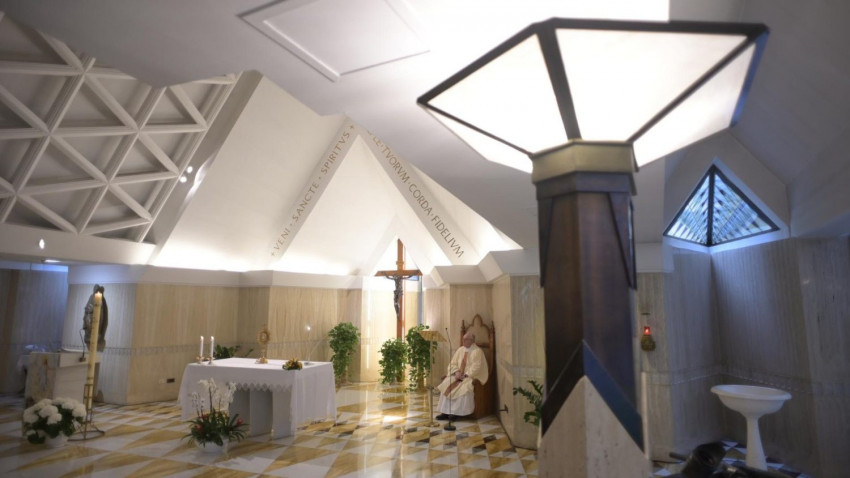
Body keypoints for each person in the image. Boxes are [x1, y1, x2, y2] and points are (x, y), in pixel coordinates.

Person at [435, 331, 488, 420]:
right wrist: (456, 372)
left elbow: (477, 367)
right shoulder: (460, 350)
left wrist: (465, 375)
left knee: (464, 388)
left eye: (466, 339)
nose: (464, 341)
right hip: (457, 375)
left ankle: (456, 413)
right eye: (463, 339)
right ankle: (445, 412)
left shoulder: (477, 351)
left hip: (470, 377)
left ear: (472, 341)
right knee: (446, 383)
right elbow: (453, 363)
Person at [82, 284, 108, 352]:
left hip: (98, 325)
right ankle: (93, 336)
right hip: (91, 325)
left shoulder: (102, 300)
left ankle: (96, 336)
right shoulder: (92, 298)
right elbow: (87, 315)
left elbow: (104, 318)